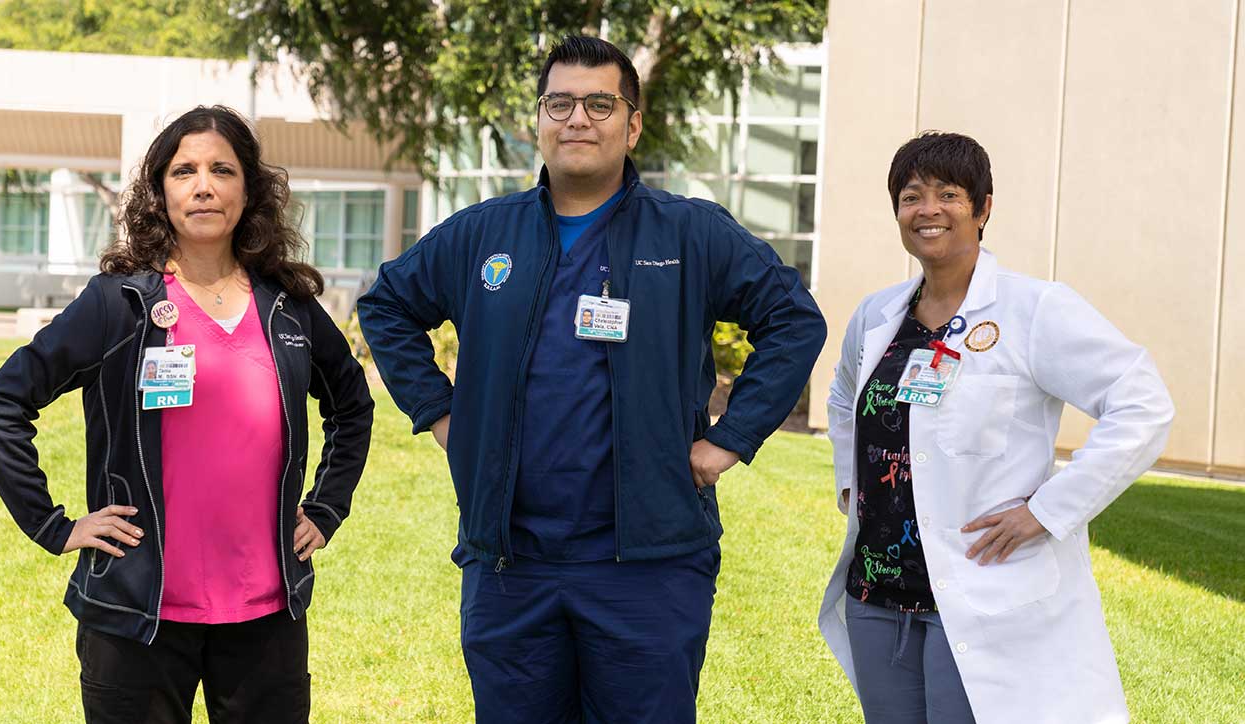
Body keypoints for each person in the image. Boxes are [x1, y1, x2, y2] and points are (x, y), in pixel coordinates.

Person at [358, 36, 826, 723]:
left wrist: (732, 439)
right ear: (539, 119)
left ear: (632, 124)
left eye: (600, 103)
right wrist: (440, 414)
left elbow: (793, 320)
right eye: (561, 102)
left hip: (648, 567)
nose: (578, 119)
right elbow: (387, 306)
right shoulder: (482, 235)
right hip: (511, 566)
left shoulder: (689, 234)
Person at [0, 105, 373, 724]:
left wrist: (327, 507)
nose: (204, 185)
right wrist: (55, 527)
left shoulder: (288, 308)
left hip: (266, 616)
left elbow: (352, 404)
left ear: (250, 190)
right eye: (184, 171)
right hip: (137, 618)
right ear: (160, 192)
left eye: (223, 170)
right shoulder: (120, 304)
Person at [820, 131, 1173, 724]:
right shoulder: (878, 314)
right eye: (911, 196)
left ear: (983, 210)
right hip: (877, 592)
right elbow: (840, 398)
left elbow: (1142, 403)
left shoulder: (1033, 309)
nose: (928, 210)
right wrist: (852, 485)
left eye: (948, 194)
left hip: (982, 592)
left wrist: (1049, 510)